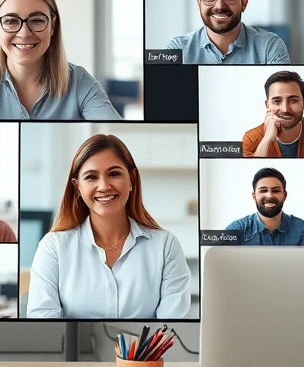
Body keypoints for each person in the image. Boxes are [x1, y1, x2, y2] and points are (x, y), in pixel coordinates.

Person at [27, 134, 191, 319]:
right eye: (91, 177)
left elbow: (171, 329)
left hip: (144, 350)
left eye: (114, 174)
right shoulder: (53, 247)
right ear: (77, 188)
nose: (104, 186)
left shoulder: (165, 246)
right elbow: (43, 324)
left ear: (131, 179)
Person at [166, 0, 290, 64]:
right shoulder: (177, 48)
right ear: (199, 4)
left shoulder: (270, 46)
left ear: (244, 4)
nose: (219, 6)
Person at [242, 71, 304, 157]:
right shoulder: (251, 138)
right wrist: (267, 139)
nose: (285, 109)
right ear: (267, 105)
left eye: (293, 101)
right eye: (277, 101)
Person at [225, 168, 304, 246]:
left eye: (276, 190)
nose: (269, 195)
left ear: (284, 196)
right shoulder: (235, 230)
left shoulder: (302, 230)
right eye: (263, 190)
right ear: (254, 196)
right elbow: (218, 261)